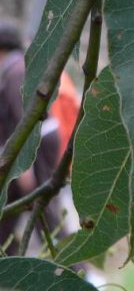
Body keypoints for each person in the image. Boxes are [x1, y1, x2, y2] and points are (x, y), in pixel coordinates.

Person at [0, 20, 60, 254]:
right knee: (10, 206)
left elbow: (23, 120)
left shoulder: (16, 72)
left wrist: (25, 167)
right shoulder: (11, 70)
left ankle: (78, 269)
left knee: (41, 206)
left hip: (35, 147)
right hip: (20, 151)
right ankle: (9, 258)